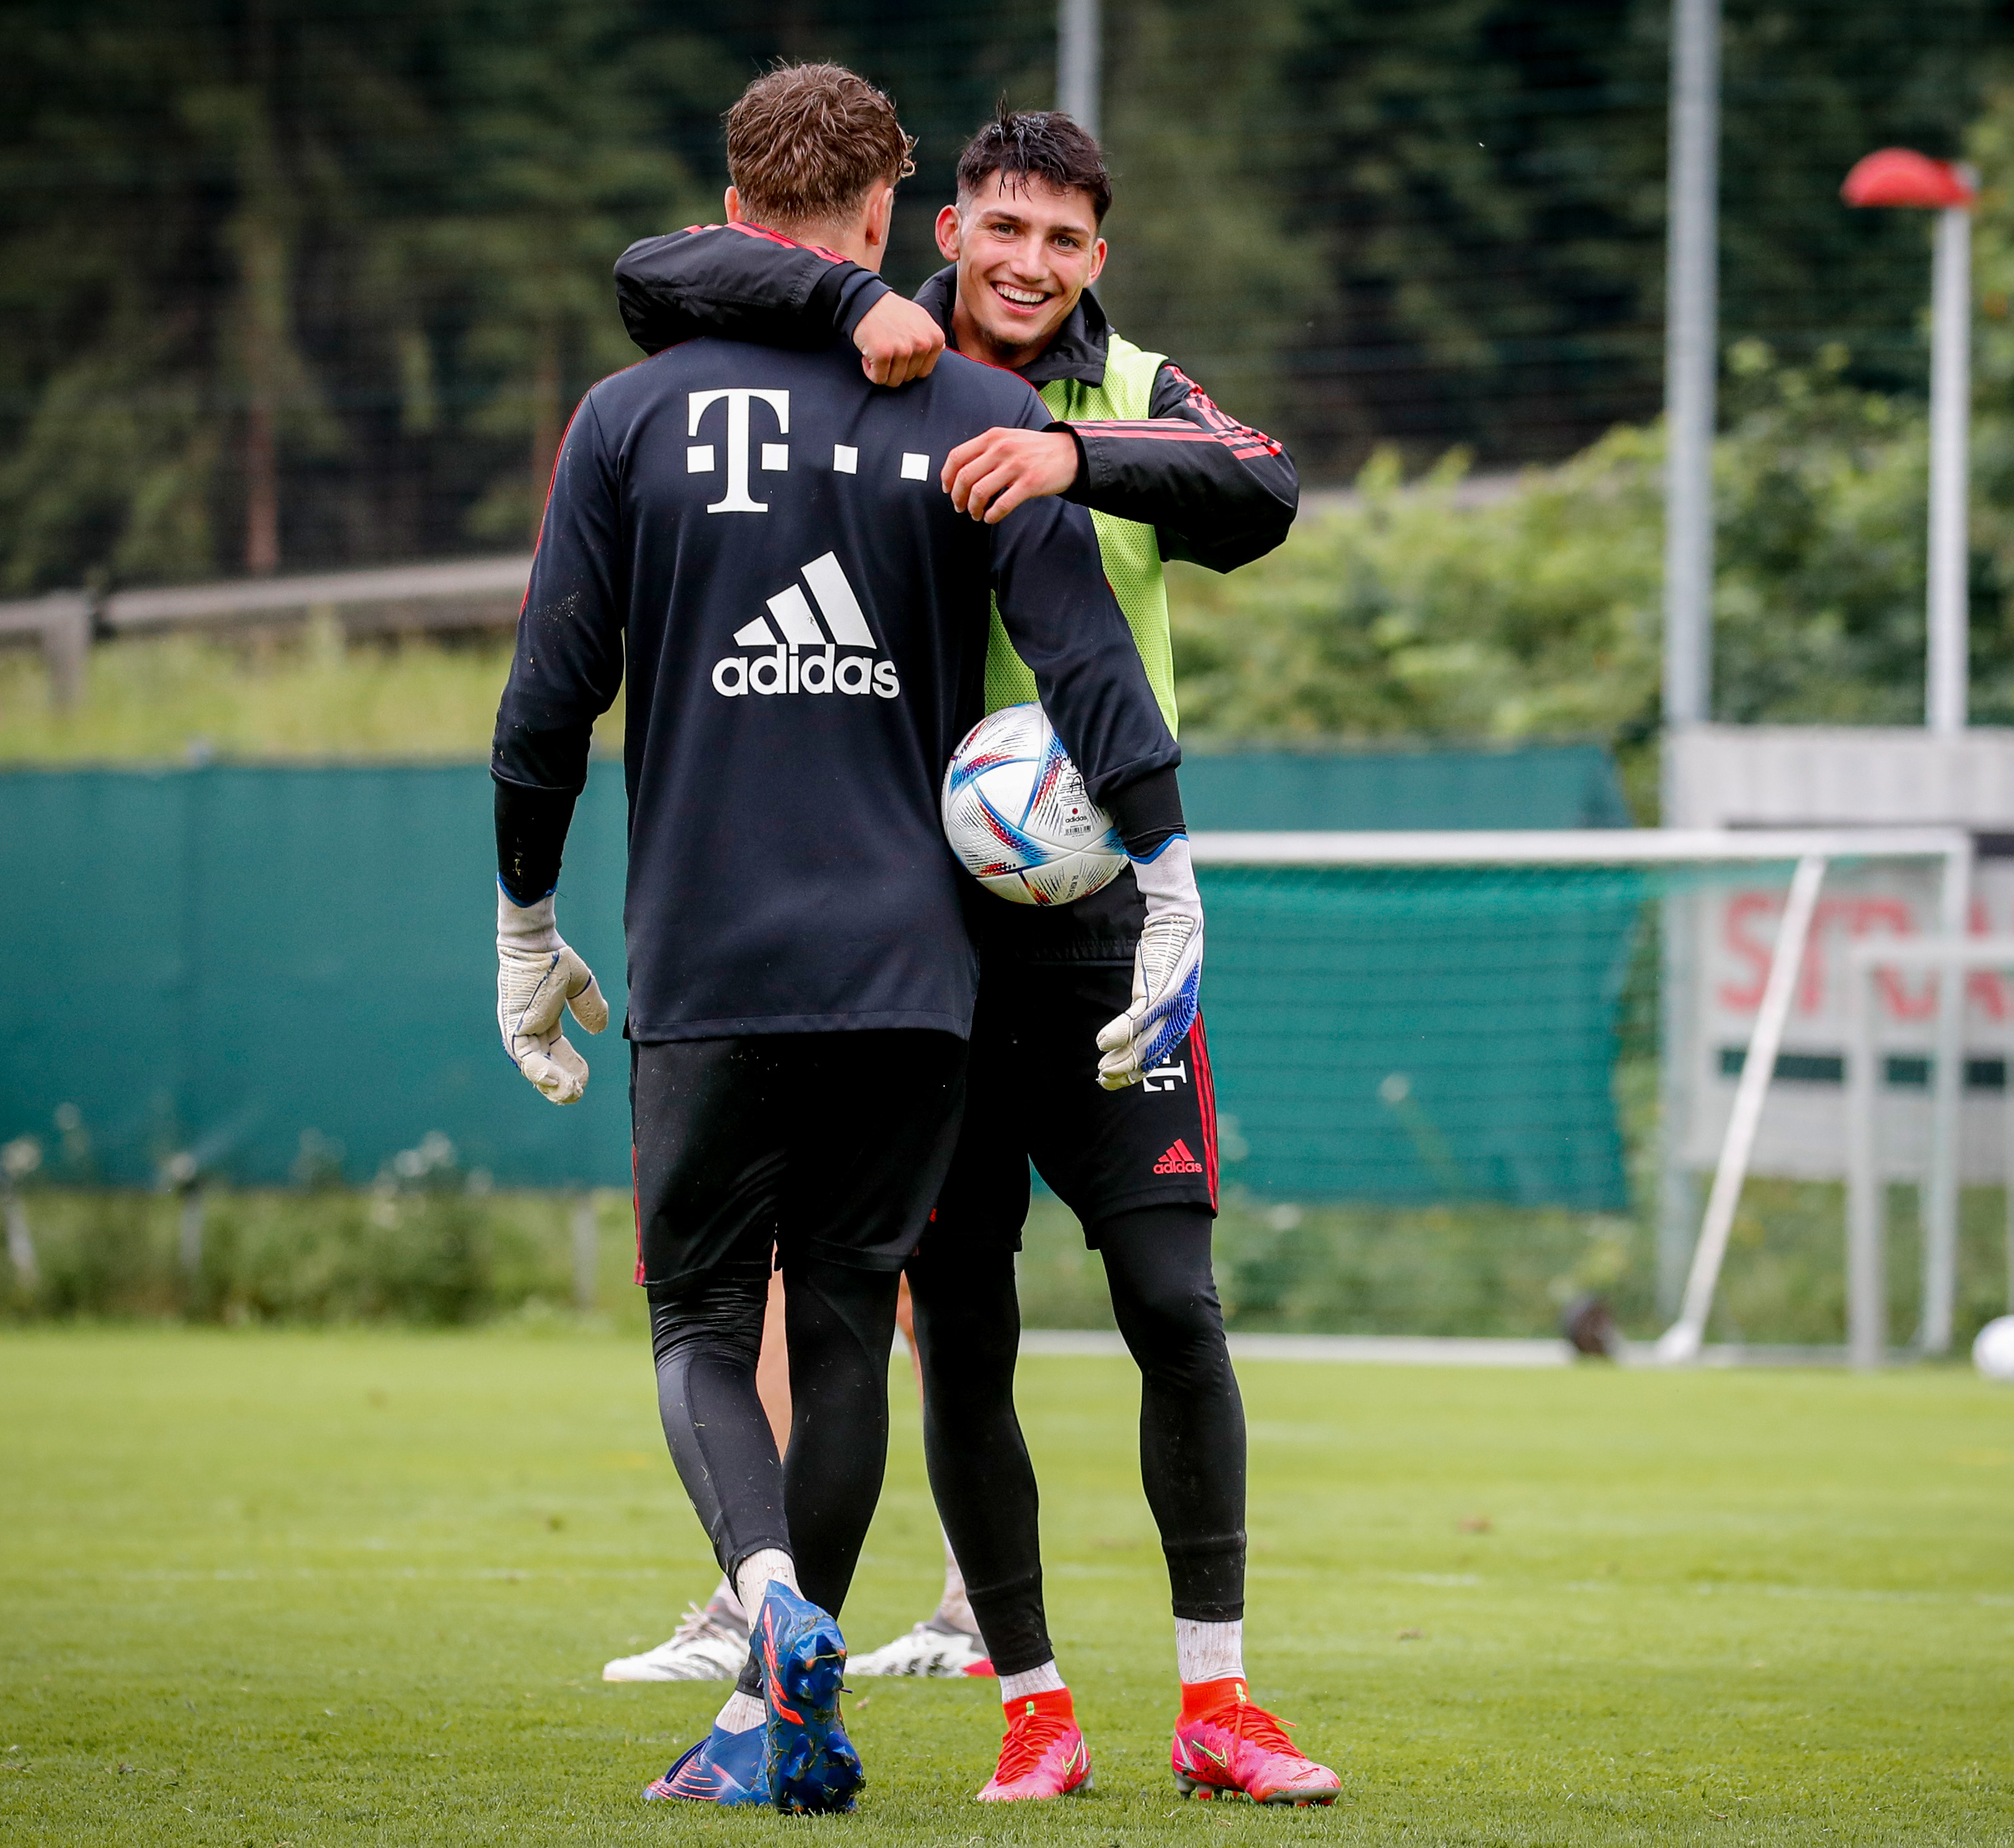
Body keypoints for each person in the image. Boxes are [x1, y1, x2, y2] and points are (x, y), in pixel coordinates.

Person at [486, 66, 1203, 1812]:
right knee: (849, 1316)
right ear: (891, 218)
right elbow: (1091, 659)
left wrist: (524, 917)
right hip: (910, 976)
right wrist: (1166, 867)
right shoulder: (969, 409)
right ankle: (771, 1715)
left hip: (714, 962)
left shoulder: (628, 420)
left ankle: (770, 1613)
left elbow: (542, 707)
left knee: (704, 1332)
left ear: (739, 211)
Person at [597, 111, 1335, 1807]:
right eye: (1000, 227)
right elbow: (661, 271)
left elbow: (1264, 487)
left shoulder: (1135, 382)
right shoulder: (865, 344)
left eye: (1062, 241)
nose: (1025, 263)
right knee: (960, 1323)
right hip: (917, 933)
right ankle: (1031, 1705)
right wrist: (847, 313)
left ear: (1098, 258)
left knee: (1170, 1297)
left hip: (1097, 926)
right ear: (944, 224)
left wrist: (1077, 456)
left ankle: (1218, 1701)